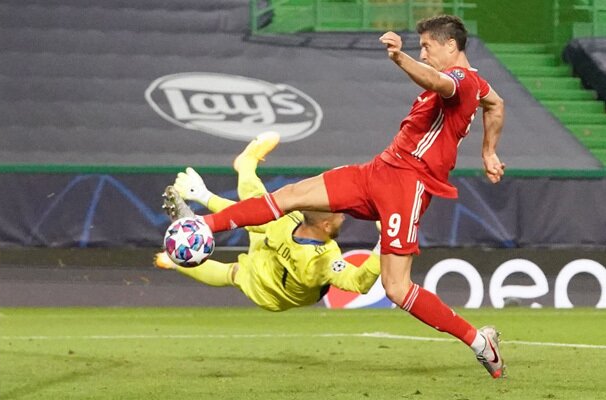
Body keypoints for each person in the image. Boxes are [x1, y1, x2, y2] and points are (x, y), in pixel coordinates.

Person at [164, 15, 506, 378]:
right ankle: (203, 226)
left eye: (427, 46)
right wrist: (489, 152)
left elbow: (438, 81)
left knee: (396, 287)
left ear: (451, 45)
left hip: (409, 184)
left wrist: (400, 58)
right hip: (380, 170)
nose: (422, 52)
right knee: (292, 195)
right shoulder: (479, 85)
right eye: (419, 47)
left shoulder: (462, 80)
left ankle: (479, 342)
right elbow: (496, 105)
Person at [156, 132, 382, 312]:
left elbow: (240, 215)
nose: (344, 215)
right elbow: (360, 283)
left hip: (268, 264)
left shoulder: (287, 221)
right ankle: (175, 261)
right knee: (233, 271)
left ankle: (245, 165)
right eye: (339, 213)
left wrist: (204, 197)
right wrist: (385, 243)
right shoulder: (322, 261)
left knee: (256, 208)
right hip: (271, 293)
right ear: (325, 226)